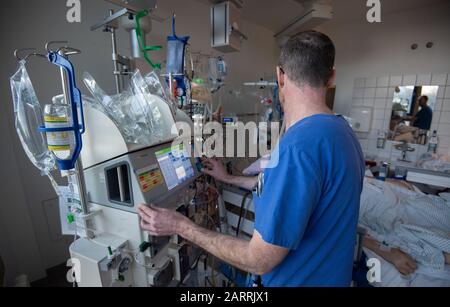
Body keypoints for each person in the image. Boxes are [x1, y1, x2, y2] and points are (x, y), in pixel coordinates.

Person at [138, 31, 365, 287]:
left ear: (280, 75)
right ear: (332, 77)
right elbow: (297, 188)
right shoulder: (342, 132)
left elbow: (258, 260)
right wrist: (229, 178)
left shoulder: (298, 146)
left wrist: (180, 225)